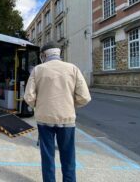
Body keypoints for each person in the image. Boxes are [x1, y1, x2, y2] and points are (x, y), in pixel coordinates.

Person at [24, 42, 91, 182]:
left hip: (44, 119)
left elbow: (28, 97)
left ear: (43, 55)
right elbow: (85, 97)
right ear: (59, 53)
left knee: (47, 156)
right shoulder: (73, 68)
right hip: (67, 119)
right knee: (68, 156)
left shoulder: (37, 70)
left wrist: (40, 106)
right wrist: (71, 105)